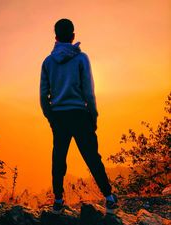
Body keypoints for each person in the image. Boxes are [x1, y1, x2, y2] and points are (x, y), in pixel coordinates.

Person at [40, 18, 118, 214]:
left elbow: (43, 95)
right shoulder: (81, 58)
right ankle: (108, 197)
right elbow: (89, 92)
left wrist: (50, 116)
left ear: (56, 37)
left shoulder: (48, 62)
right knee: (92, 156)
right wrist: (94, 115)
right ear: (73, 36)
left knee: (59, 157)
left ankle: (58, 201)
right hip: (80, 114)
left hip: (59, 117)